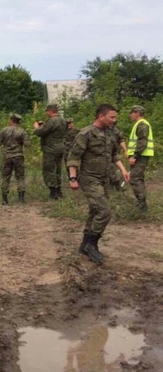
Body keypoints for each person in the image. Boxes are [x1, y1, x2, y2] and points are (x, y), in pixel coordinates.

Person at [67, 104, 129, 264]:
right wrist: (73, 179)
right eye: (112, 117)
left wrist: (122, 170)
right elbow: (74, 157)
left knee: (95, 211)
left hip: (103, 179)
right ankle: (91, 244)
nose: (114, 120)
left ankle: (84, 245)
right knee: (104, 212)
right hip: (90, 179)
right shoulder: (86, 133)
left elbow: (113, 155)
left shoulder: (110, 133)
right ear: (101, 116)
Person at [0, 113, 30, 205]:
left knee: (5, 177)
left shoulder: (4, 130)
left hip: (7, 156)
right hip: (18, 156)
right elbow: (27, 144)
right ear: (18, 121)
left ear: (11, 120)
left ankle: (4, 199)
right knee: (20, 177)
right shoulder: (22, 131)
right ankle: (21, 199)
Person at [33, 104, 67, 199]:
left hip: (51, 149)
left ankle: (53, 192)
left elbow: (41, 132)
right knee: (58, 169)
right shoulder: (63, 120)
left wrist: (36, 127)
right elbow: (52, 130)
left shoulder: (52, 120)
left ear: (50, 111)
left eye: (47, 111)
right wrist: (43, 125)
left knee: (49, 170)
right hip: (60, 147)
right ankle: (59, 190)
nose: (46, 113)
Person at [127, 105, 154, 211]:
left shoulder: (142, 124)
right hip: (141, 155)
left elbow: (142, 141)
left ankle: (142, 205)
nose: (130, 114)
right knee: (137, 178)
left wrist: (135, 156)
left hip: (140, 156)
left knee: (135, 178)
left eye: (132, 112)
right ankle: (141, 203)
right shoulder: (139, 124)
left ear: (137, 113)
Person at [107, 121, 128, 191]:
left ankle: (117, 186)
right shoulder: (100, 129)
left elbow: (121, 140)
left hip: (112, 153)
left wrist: (125, 150)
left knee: (111, 169)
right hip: (101, 154)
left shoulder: (115, 130)